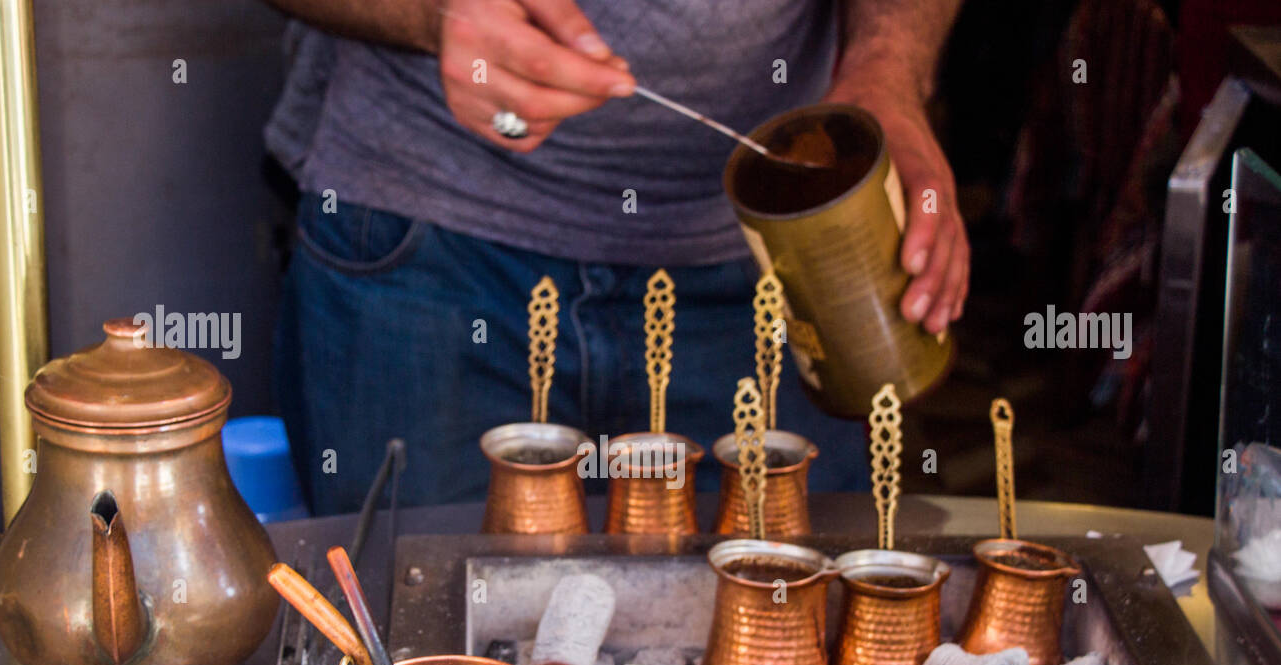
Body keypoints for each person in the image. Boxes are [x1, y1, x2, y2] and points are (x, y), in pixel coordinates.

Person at [264, 0, 969, 514]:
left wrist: (890, 68)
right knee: (414, 656)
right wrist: (432, 14)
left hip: (779, 269)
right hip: (426, 258)